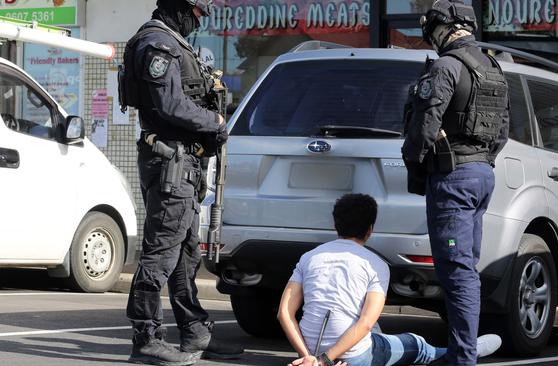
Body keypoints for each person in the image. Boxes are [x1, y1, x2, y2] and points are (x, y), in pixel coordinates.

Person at [120, 0, 243, 364]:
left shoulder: (172, 41)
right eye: (197, 12)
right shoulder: (158, 44)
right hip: (170, 162)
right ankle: (145, 338)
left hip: (184, 162)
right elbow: (169, 105)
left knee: (186, 255)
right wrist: (215, 122)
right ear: (178, 7)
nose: (200, 19)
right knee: (161, 253)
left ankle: (194, 332)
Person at [401, 1, 510, 365]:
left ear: (442, 28)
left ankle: (462, 358)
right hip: (481, 176)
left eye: (431, 30)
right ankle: (463, 351)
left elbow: (424, 127)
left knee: (456, 272)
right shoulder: (492, 66)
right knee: (467, 268)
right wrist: (480, 161)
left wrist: (414, 165)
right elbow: (503, 131)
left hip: (453, 180)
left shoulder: (447, 67)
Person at [278, 194, 502, 366]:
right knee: (415, 345)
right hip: (351, 357)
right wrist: (325, 361)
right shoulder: (376, 264)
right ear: (370, 229)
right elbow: (364, 323)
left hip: (308, 353)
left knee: (373, 328)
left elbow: (285, 313)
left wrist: (309, 358)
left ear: (335, 225)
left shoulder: (309, 257)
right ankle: (468, 351)